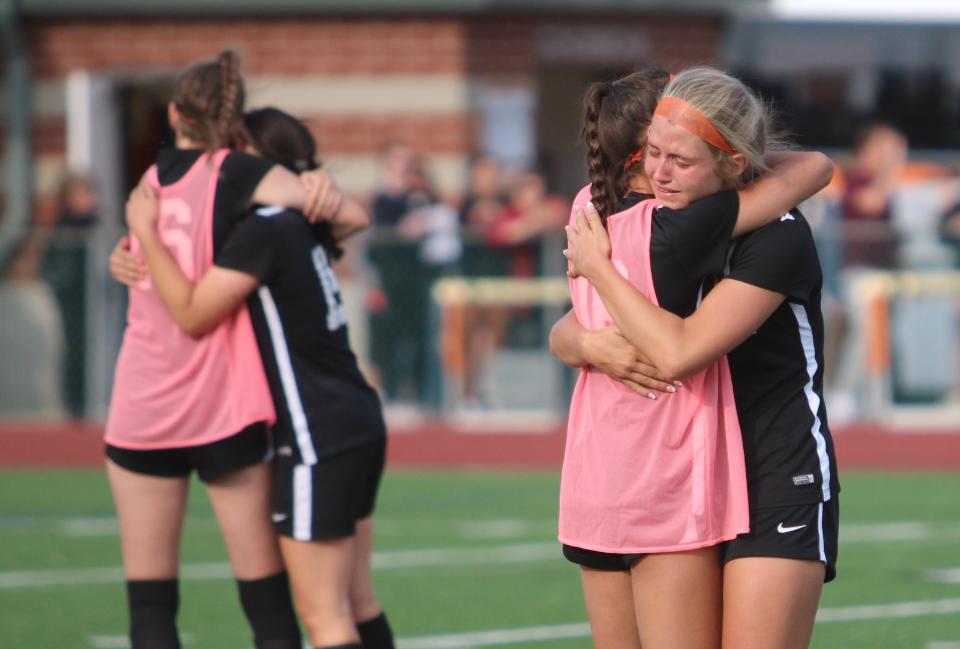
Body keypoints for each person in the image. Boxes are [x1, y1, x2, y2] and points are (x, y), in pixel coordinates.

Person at [556, 67, 840, 649]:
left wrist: (598, 268)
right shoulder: (672, 219)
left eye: (679, 161)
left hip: (776, 470)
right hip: (700, 472)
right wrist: (585, 343)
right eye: (652, 153)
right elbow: (574, 326)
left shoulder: (774, 234)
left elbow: (678, 351)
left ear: (733, 165)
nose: (658, 173)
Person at [117, 107, 393, 649]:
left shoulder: (263, 230)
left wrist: (144, 234)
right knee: (358, 602)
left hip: (317, 431)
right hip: (352, 416)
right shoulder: (294, 221)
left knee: (324, 617)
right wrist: (124, 254)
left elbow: (193, 313)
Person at [104, 51, 332, 649]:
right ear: (233, 123)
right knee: (265, 599)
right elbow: (334, 213)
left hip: (141, 405)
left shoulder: (147, 181)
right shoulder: (239, 173)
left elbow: (142, 258)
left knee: (150, 605)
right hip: (220, 406)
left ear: (173, 114)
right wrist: (316, 184)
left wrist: (131, 245)